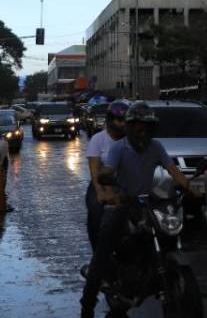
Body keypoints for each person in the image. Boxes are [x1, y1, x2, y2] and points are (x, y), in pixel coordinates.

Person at [80, 101, 200, 317]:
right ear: (129, 127)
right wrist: (107, 182)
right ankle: (87, 304)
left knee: (167, 234)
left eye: (146, 126)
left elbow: (173, 170)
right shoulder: (118, 147)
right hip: (121, 204)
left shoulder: (156, 147)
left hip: (146, 203)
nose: (142, 130)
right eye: (137, 126)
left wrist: (190, 188)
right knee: (102, 253)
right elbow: (107, 171)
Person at [84, 101, 127, 249]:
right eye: (119, 120)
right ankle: (98, 254)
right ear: (110, 120)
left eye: (125, 120)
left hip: (125, 185)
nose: (122, 124)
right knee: (96, 211)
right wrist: (101, 192)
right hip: (101, 184)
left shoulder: (131, 140)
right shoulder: (98, 139)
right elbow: (94, 171)